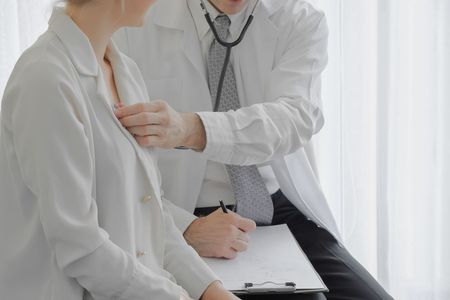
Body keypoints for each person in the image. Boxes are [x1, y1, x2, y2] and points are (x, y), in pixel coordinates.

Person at [113, 0, 394, 299]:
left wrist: (193, 129)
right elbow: (112, 161)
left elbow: (296, 117)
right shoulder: (135, 19)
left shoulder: (298, 18)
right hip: (179, 208)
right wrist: (184, 228)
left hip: (276, 206)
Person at [0, 1, 240, 299]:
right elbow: (81, 248)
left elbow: (153, 214)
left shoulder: (124, 70)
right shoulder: (45, 79)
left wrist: (212, 291)